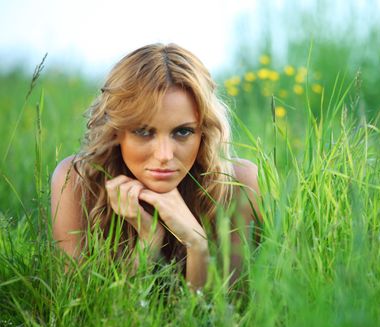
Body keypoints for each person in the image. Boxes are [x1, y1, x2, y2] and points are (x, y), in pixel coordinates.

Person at [50, 43, 261, 291]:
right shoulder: (77, 181)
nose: (164, 155)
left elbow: (227, 312)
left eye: (183, 132)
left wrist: (196, 244)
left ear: (203, 132)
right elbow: (86, 316)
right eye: (143, 132)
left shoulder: (238, 184)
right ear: (116, 131)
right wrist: (148, 242)